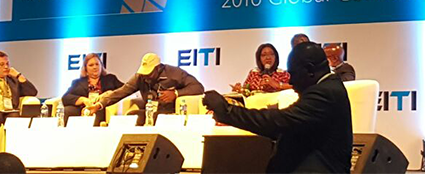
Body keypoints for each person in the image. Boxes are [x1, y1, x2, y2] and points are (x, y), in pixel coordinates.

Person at [204, 41, 352, 174]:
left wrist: (227, 110)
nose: (291, 82)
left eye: (293, 74)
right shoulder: (326, 88)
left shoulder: (325, 93)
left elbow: (279, 122)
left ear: (310, 70)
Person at [89, 53, 204, 124]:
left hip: (171, 112)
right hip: (150, 112)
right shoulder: (140, 76)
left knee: (158, 118)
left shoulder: (175, 74)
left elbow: (198, 87)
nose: (146, 76)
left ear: (158, 68)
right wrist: (99, 105)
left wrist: (176, 93)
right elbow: (122, 91)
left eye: (149, 73)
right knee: (132, 116)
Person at [61, 53, 123, 126]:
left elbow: (124, 91)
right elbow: (65, 98)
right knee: (67, 110)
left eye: (97, 64)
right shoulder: (77, 82)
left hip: (102, 108)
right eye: (91, 65)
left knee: (98, 110)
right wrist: (83, 100)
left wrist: (109, 93)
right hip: (83, 109)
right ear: (85, 68)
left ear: (101, 66)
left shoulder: (110, 79)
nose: (95, 67)